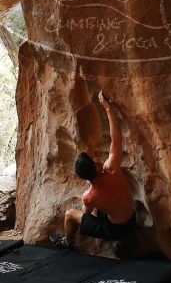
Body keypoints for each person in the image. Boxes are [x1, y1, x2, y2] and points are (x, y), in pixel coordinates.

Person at [51, 92, 135, 249]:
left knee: (72, 214)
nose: (97, 160)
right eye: (94, 160)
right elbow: (116, 138)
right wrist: (108, 109)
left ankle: (67, 241)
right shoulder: (112, 169)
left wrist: (91, 187)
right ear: (95, 166)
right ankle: (69, 243)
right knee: (80, 213)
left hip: (117, 227)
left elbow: (86, 213)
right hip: (131, 220)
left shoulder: (89, 196)